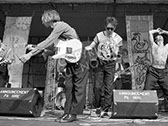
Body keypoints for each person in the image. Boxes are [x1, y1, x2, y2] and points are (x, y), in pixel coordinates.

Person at [20, 10, 89, 122]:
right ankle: (67, 113)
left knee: (78, 88)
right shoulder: (58, 33)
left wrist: (29, 54)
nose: (42, 23)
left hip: (81, 60)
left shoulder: (60, 25)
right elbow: (54, 51)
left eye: (43, 20)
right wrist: (36, 48)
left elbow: (48, 41)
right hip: (70, 61)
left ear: (48, 19)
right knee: (69, 87)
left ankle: (74, 114)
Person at [85, 17, 123, 117]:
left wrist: (118, 57)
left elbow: (119, 53)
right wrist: (89, 47)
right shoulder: (99, 35)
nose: (110, 30)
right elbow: (93, 44)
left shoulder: (118, 38)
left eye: (112, 29)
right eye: (108, 28)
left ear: (115, 28)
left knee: (109, 87)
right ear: (105, 27)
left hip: (111, 63)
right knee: (97, 86)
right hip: (100, 62)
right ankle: (97, 107)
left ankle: (106, 109)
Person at [144, 28, 168, 99]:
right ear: (156, 40)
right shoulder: (154, 46)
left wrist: (164, 32)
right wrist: (157, 31)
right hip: (153, 71)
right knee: (147, 90)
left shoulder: (166, 47)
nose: (160, 36)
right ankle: (145, 108)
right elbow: (150, 32)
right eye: (158, 37)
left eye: (161, 36)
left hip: (163, 72)